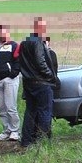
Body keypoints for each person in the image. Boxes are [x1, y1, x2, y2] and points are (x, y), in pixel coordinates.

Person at [17, 16, 59, 148]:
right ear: (38, 28)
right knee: (44, 112)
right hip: (41, 82)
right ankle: (43, 141)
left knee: (30, 112)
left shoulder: (24, 42)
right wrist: (51, 76)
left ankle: (26, 140)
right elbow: (40, 62)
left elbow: (20, 61)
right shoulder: (37, 42)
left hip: (28, 82)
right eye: (43, 27)